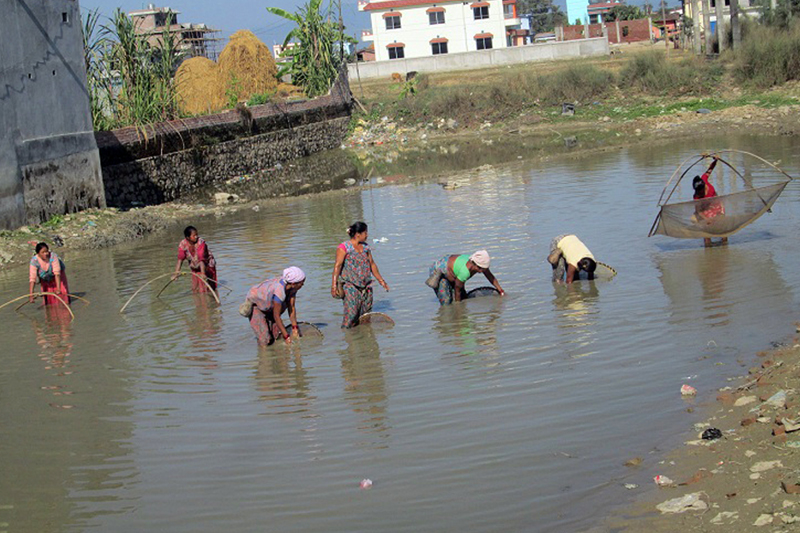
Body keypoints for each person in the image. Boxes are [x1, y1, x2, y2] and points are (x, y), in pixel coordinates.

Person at [331, 222, 390, 328]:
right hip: (350, 286)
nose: (367, 235)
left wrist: (382, 281)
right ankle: (347, 335)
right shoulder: (344, 247)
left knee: (365, 316)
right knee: (351, 314)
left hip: (366, 286)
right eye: (365, 233)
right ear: (358, 234)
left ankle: (363, 339)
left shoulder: (365, 247)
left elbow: (372, 264)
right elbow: (337, 266)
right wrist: (334, 285)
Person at [246, 267, 305, 346]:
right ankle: (263, 355)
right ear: (293, 283)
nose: (303, 285)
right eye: (301, 283)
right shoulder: (279, 291)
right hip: (256, 305)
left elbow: (292, 308)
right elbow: (276, 316)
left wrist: (295, 328)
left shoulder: (293, 288)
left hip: (271, 307)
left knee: (276, 336)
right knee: (265, 340)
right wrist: (287, 337)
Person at [427, 250, 504, 305]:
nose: (481, 271)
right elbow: (458, 290)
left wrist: (500, 290)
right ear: (474, 264)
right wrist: (458, 308)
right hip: (438, 270)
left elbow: (490, 276)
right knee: (446, 302)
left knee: (463, 297)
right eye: (480, 269)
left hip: (452, 268)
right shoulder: (465, 272)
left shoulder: (478, 264)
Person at [692, 157, 727, 247]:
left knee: (723, 230)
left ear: (703, 186)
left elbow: (710, 169)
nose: (699, 193)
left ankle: (724, 246)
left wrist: (715, 160)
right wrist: (707, 219)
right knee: (706, 233)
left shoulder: (704, 179)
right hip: (705, 210)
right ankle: (708, 247)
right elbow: (699, 211)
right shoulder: (696, 196)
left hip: (717, 206)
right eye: (697, 191)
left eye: (700, 190)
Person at [173, 226, 217, 292]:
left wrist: (203, 273)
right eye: (194, 235)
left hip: (206, 264)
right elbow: (180, 260)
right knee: (197, 289)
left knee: (209, 287)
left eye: (197, 234)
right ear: (188, 237)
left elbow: (201, 259)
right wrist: (176, 274)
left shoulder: (200, 242)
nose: (196, 237)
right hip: (194, 265)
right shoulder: (183, 244)